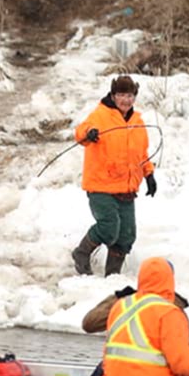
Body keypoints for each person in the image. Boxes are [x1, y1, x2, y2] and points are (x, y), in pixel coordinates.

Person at [72, 75, 155, 276]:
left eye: (130, 95)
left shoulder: (138, 122)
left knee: (126, 235)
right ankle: (81, 254)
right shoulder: (100, 115)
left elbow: (141, 154)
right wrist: (89, 134)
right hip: (101, 186)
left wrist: (149, 175)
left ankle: (113, 274)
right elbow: (80, 132)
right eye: (121, 95)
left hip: (126, 189)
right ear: (113, 95)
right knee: (109, 227)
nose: (126, 100)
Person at [102, 257, 189, 376]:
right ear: (169, 279)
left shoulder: (120, 306)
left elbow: (107, 354)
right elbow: (184, 368)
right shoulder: (169, 313)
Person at [83, 284, 189, 334]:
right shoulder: (178, 310)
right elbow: (90, 324)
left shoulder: (129, 304)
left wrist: (117, 300)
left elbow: (90, 324)